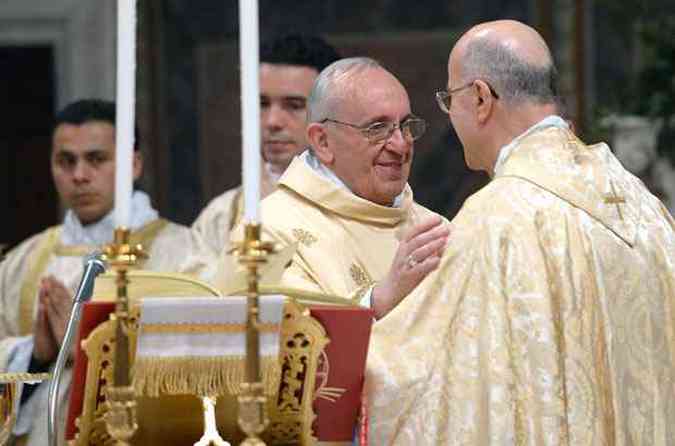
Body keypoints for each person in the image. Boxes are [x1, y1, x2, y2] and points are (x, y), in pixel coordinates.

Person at [365, 19, 675, 445]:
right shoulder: (642, 206)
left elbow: (407, 380)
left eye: (448, 98)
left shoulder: (496, 220)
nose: (450, 114)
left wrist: (356, 318)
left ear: (479, 98)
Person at [0, 99, 214, 445]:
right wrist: (34, 355)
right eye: (65, 161)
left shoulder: (186, 256)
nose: (79, 175)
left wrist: (91, 354)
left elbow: (205, 368)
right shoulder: (22, 263)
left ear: (134, 163)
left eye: (96, 159)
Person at [229, 57, 450, 319]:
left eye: (405, 126)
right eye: (377, 128)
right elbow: (289, 344)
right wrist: (377, 301)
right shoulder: (266, 232)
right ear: (322, 142)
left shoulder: (432, 228)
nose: (400, 145)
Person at [192, 33, 341, 256]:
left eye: (294, 105)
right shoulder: (222, 217)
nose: (272, 122)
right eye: (261, 104)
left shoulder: (361, 205)